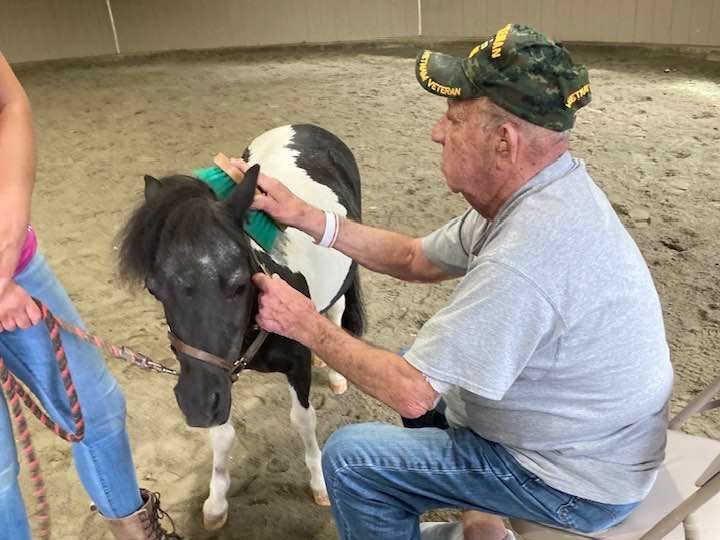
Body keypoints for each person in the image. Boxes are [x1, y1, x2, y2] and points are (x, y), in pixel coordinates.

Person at [232, 24, 674, 540]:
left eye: (454, 118)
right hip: (593, 442)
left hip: (574, 484)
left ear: (503, 143)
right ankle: (480, 517)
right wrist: (307, 215)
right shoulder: (540, 193)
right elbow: (414, 257)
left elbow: (411, 394)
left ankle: (478, 510)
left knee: (353, 459)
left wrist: (306, 324)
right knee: (419, 364)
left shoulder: (527, 257)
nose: (438, 132)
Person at [0, 52, 180, 539]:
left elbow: (9, 102)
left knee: (96, 411)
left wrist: (7, 244)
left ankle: (134, 531)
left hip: (15, 265)